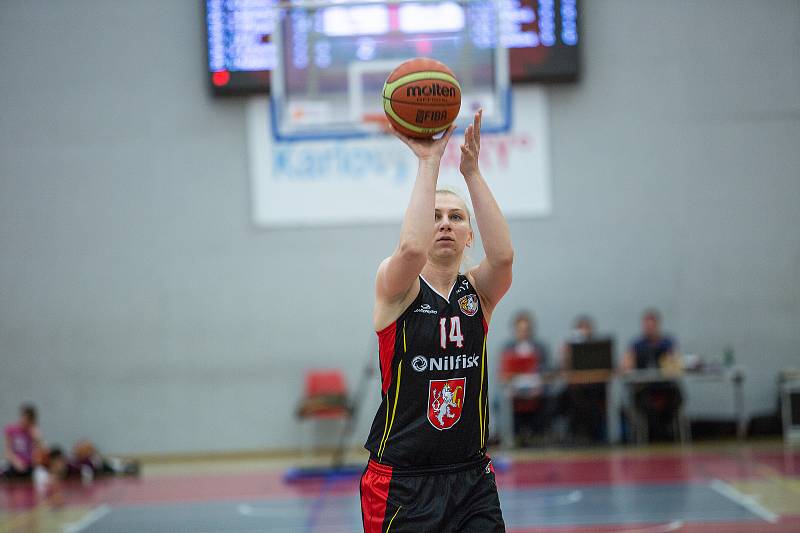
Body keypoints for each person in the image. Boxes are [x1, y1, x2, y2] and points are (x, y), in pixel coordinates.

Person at [362, 110, 513, 532]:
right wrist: (430, 161)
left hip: (470, 478)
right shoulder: (397, 288)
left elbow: (502, 258)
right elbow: (410, 251)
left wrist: (471, 172)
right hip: (401, 482)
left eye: (456, 217)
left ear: (469, 236)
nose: (445, 222)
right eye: (435, 216)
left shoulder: (477, 294)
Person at [622, 309, 683, 441]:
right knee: (643, 404)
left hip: (666, 387)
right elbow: (626, 365)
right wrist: (628, 363)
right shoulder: (636, 344)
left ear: (658, 325)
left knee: (677, 398)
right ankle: (655, 435)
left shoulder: (667, 342)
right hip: (644, 388)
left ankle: (666, 433)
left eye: (652, 325)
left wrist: (671, 361)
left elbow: (675, 364)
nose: (649, 328)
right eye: (646, 325)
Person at [498, 312, 550, 446]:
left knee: (549, 398)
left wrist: (539, 387)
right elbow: (502, 375)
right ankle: (514, 436)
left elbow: (546, 372)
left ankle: (536, 435)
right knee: (500, 400)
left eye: (526, 330)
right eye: (520, 330)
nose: (524, 333)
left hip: (535, 389)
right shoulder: (508, 348)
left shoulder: (540, 348)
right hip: (514, 390)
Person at [560, 315, 607, 443]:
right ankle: (577, 434)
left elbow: (606, 369)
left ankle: (592, 434)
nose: (584, 331)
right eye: (581, 328)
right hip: (576, 387)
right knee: (568, 395)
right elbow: (564, 370)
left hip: (595, 386)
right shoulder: (570, 347)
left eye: (586, 328)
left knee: (590, 397)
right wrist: (566, 356)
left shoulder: (598, 347)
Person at [2, 403, 44, 478]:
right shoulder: (11, 430)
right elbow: (7, 451)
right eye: (25, 417)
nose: (26, 421)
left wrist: (38, 438)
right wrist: (16, 462)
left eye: (29, 419)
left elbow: (41, 451)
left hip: (29, 466)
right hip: (14, 464)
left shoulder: (32, 432)